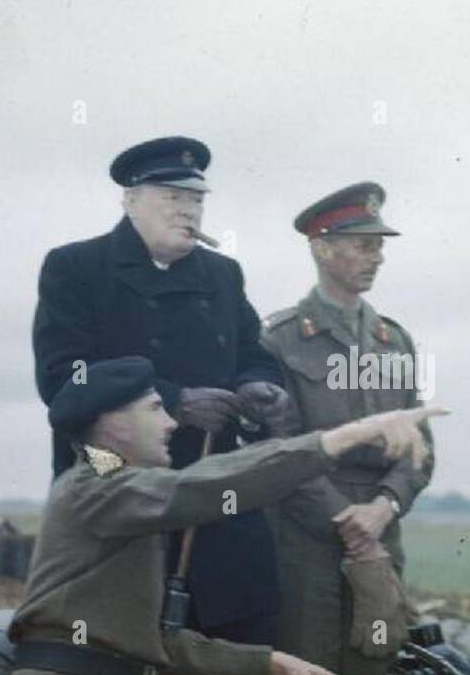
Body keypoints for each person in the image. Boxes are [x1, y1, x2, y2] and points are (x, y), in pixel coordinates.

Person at [0, 356, 446, 675]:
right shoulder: (95, 488)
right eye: (156, 408)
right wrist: (342, 438)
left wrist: (265, 663)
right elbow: (199, 487)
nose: (172, 423)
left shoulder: (117, 497)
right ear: (114, 425)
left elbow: (151, 645)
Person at [32, 136, 291, 646]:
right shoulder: (75, 267)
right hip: (112, 481)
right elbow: (63, 377)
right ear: (130, 201)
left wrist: (259, 385)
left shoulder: (222, 274)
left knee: (240, 624)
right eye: (172, 197)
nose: (187, 210)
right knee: (118, 635)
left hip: (212, 477)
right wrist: (174, 401)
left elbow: (252, 353)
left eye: (195, 200)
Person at [261, 182, 433, 675]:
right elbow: (274, 446)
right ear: (321, 247)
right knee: (308, 674)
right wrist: (343, 519)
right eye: (363, 245)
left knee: (374, 671)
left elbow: (421, 442)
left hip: (380, 532)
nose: (376, 257)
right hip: (306, 536)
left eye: (380, 246)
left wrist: (384, 507)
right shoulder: (280, 339)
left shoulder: (394, 341)